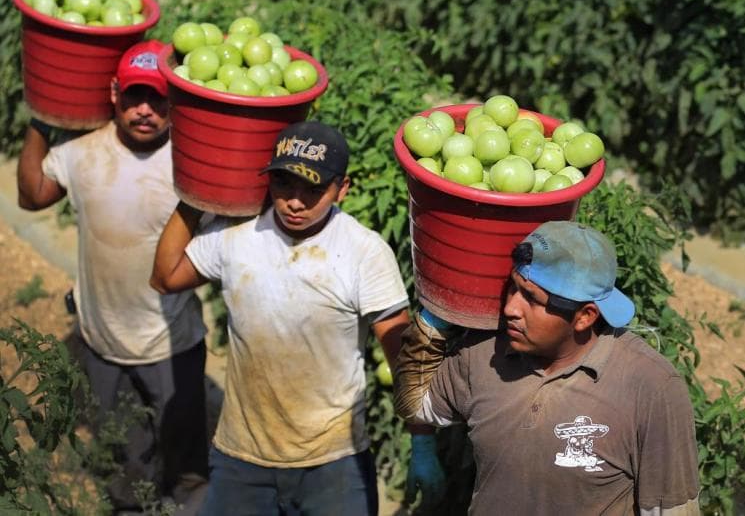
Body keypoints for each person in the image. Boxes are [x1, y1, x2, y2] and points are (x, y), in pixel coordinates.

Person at [150, 120, 443, 515]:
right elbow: (165, 278)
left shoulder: (364, 252)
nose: (295, 202)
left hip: (333, 462)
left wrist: (422, 441)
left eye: (313, 190)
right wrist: (194, 196)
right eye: (284, 184)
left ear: (342, 188)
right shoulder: (237, 235)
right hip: (242, 458)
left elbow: (401, 352)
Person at [16, 40, 209, 510]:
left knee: (184, 459)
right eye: (134, 96)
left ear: (174, 104)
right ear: (114, 93)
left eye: (158, 100)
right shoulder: (83, 153)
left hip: (170, 344)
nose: (145, 110)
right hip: (100, 340)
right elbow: (32, 195)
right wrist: (40, 120)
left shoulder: (191, 165)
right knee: (124, 454)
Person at [395, 220, 701, 515]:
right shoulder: (486, 353)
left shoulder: (650, 388)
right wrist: (432, 323)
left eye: (531, 298)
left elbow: (672, 511)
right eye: (513, 287)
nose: (510, 308)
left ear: (585, 316)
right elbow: (415, 407)